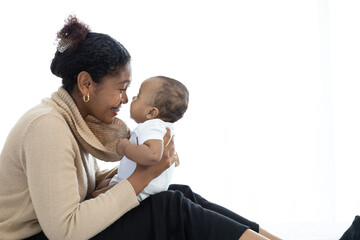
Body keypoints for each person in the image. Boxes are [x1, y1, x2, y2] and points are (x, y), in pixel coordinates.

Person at [0, 14, 285, 240]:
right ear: (86, 83)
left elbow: (76, 190)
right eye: (121, 89)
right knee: (168, 207)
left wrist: (147, 169)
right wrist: (142, 176)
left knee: (179, 193)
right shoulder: (46, 127)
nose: (125, 99)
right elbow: (65, 232)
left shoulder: (75, 121)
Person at [92, 76, 189, 201]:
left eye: (138, 96)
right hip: (131, 183)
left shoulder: (152, 126)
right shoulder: (159, 128)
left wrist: (125, 147)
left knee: (94, 197)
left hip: (139, 191)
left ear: (151, 113)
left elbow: (153, 155)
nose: (132, 98)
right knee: (100, 185)